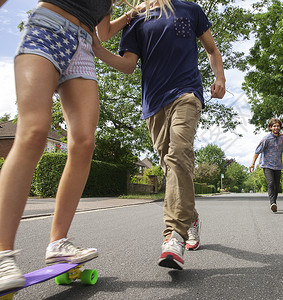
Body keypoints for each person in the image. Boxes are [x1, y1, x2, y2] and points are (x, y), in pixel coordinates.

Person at [0, 0, 141, 293]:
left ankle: (58, 242)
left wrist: (130, 15)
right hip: (47, 28)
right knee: (35, 131)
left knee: (84, 143)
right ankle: (2, 253)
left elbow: (103, 32)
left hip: (82, 47)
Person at [93, 0, 225, 270]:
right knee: (170, 166)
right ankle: (191, 217)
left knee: (178, 155)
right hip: (153, 104)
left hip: (187, 93)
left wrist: (219, 76)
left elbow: (211, 48)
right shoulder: (136, 18)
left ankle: (174, 236)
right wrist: (98, 50)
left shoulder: (190, 8)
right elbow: (128, 65)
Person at [249, 119, 283, 212]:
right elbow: (257, 151)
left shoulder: (281, 138)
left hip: (278, 165)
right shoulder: (266, 139)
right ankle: (272, 202)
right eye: (274, 126)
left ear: (280, 127)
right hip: (267, 165)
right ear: (270, 127)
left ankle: (274, 203)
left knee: (276, 186)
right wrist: (252, 163)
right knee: (271, 183)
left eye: (278, 126)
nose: (276, 128)